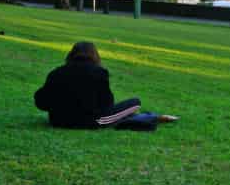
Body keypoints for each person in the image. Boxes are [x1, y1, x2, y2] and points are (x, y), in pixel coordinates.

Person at [34, 42, 178, 131]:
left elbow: (41, 102)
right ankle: (147, 117)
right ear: (95, 56)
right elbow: (107, 104)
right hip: (93, 122)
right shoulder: (99, 72)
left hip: (58, 121)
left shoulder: (57, 72)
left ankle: (143, 118)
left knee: (118, 114)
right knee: (135, 103)